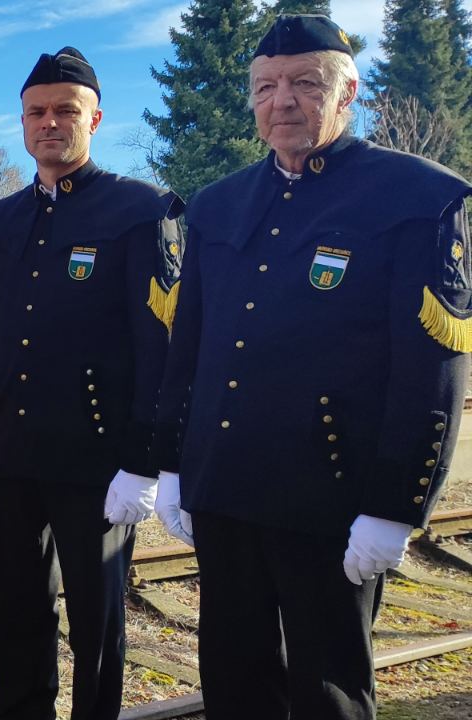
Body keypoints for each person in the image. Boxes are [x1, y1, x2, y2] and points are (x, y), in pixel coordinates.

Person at [153, 15, 472, 720]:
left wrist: (394, 508)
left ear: (348, 89)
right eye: (266, 87)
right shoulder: (217, 204)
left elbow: (431, 372)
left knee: (328, 691)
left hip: (331, 500)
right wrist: (172, 461)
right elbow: (191, 348)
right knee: (234, 684)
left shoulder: (415, 197)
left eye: (306, 83)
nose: (283, 101)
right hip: (226, 489)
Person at [0, 47, 183, 720]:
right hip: (18, 452)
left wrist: (145, 462)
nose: (49, 123)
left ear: (95, 119)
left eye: (65, 110)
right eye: (36, 112)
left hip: (100, 460)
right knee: (18, 609)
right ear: (22, 122)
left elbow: (162, 346)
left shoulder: (141, 210)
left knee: (96, 620)